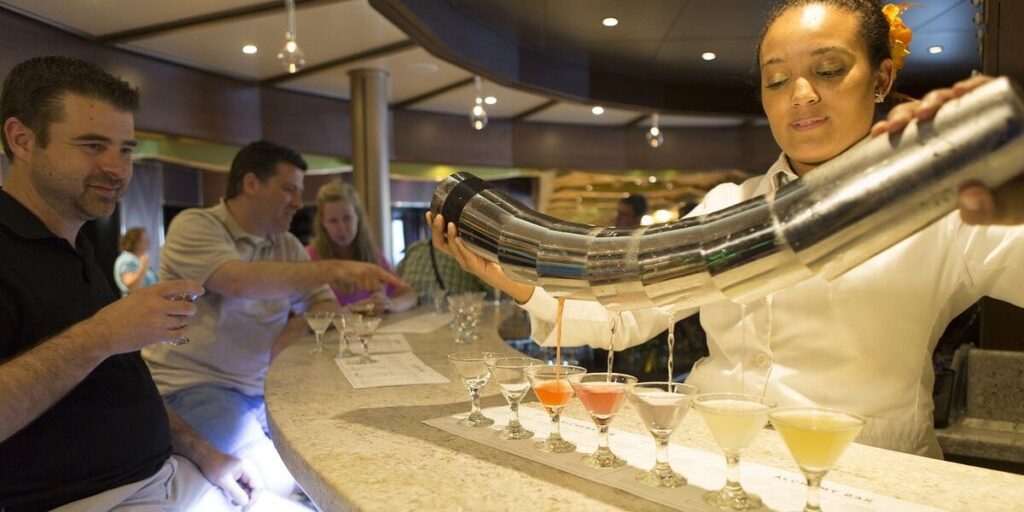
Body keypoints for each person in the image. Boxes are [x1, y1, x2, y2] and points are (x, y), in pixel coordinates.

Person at [431, 0, 1024, 458]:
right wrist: (512, 277)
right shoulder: (726, 204)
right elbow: (626, 315)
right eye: (776, 79)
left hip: (867, 471)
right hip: (710, 456)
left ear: (882, 79)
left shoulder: (943, 206)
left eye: (829, 69)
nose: (802, 95)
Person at [0, 55, 279, 512]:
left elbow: (124, 385)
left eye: (125, 149)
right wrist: (104, 333)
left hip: (167, 477)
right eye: (93, 145)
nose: (117, 168)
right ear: (22, 139)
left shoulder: (78, 248)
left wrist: (204, 452)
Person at [142, 141, 400, 499]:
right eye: (289, 190)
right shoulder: (196, 225)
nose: (298, 202)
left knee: (347, 452)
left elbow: (324, 302)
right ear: (251, 184)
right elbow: (238, 281)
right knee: (286, 482)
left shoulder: (288, 246)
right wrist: (337, 267)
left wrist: (294, 327)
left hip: (264, 389)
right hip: (193, 387)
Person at [307, 179, 417, 314]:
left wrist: (388, 304)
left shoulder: (373, 255)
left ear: (358, 217)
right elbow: (305, 316)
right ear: (323, 223)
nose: (341, 228)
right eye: (333, 221)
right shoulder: (308, 258)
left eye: (347, 218)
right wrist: (355, 309)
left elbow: (410, 295)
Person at [395, 237, 493, 306]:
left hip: (415, 321)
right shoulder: (469, 254)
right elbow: (496, 296)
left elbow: (394, 287)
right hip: (459, 318)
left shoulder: (414, 250)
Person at [114, 227, 158, 296]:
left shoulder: (137, 259)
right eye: (145, 240)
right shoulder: (126, 259)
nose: (149, 242)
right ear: (135, 242)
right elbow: (130, 285)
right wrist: (143, 268)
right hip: (136, 303)